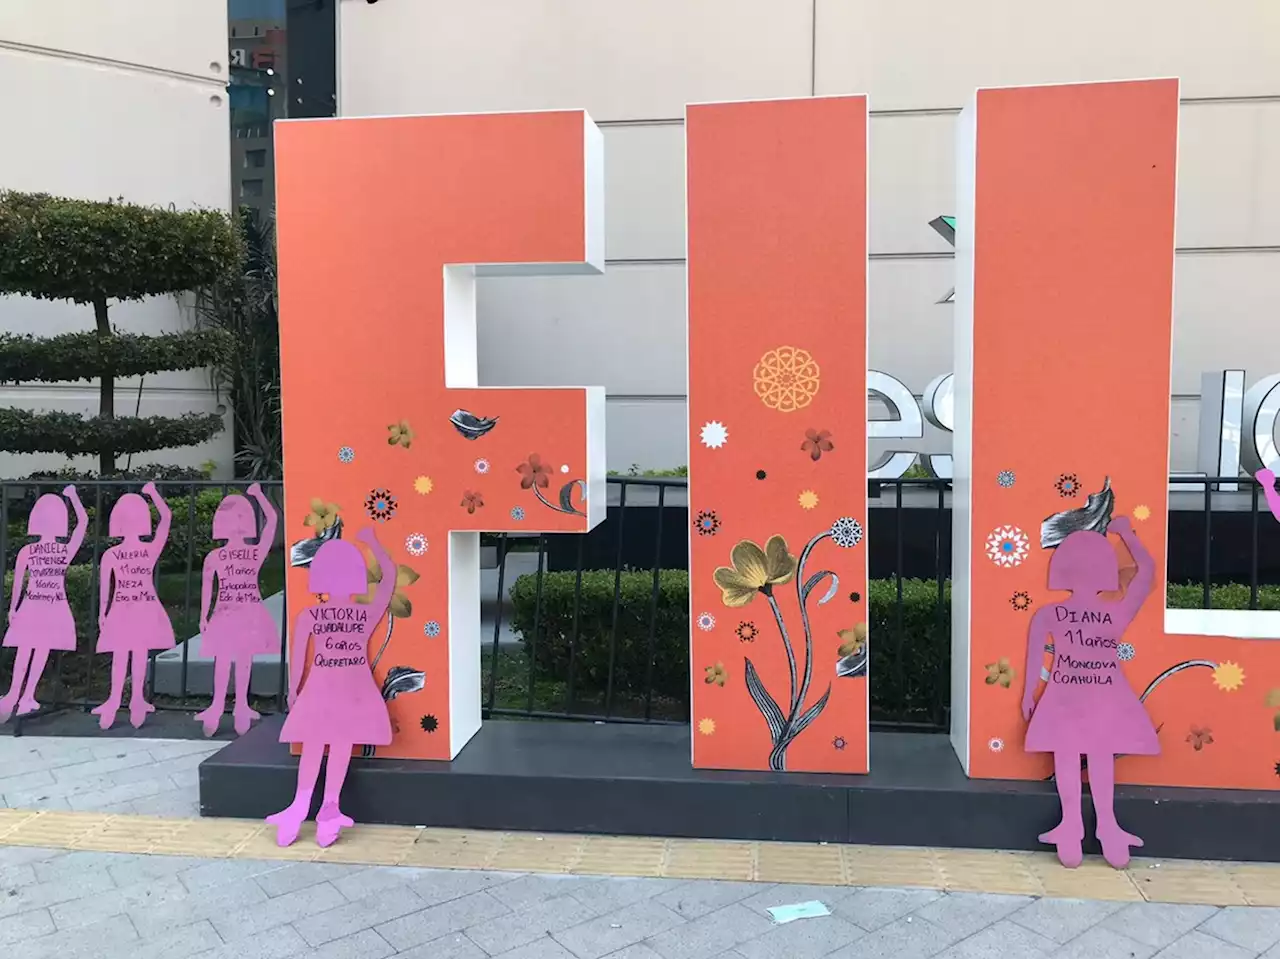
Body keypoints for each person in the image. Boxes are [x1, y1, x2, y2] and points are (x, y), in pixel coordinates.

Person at [1021, 517, 1157, 869]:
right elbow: (1147, 572)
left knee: (1067, 757)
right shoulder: (1115, 613)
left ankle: (1073, 827)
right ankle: (1106, 827)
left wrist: (1027, 695)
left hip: (1065, 696)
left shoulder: (1048, 614)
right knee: (1099, 759)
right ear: (1105, 574)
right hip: (1104, 697)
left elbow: (1035, 658)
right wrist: (1126, 535)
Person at [266, 526, 393, 847]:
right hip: (353, 690)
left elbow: (297, 660)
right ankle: (328, 808)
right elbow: (388, 580)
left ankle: (300, 805)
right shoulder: (364, 615)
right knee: (340, 745)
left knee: (313, 744)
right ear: (355, 578)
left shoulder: (308, 615)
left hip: (319, 689)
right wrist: (373, 544)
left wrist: (293, 691)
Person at [194, 483, 279, 737]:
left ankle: (228, 706)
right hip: (238, 613)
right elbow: (272, 520)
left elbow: (208, 588)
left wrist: (203, 615)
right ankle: (233, 706)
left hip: (231, 613)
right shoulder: (251, 553)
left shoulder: (216, 556)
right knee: (240, 659)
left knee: (229, 660)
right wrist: (259, 495)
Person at [0, 486, 86, 721]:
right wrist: (74, 498)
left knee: (28, 649)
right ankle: (23, 694)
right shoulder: (62, 550)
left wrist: (13, 608)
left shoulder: (28, 551)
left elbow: (18, 583)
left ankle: (19, 693)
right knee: (37, 649)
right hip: (50, 606)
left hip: (34, 604)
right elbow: (82, 525)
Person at [92, 482, 173, 730]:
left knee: (121, 656)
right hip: (141, 607)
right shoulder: (148, 550)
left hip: (123, 608)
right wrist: (153, 494)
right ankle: (133, 700)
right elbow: (166, 519)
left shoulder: (111, 554)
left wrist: (102, 612)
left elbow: (106, 587)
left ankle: (118, 700)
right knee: (137, 655)